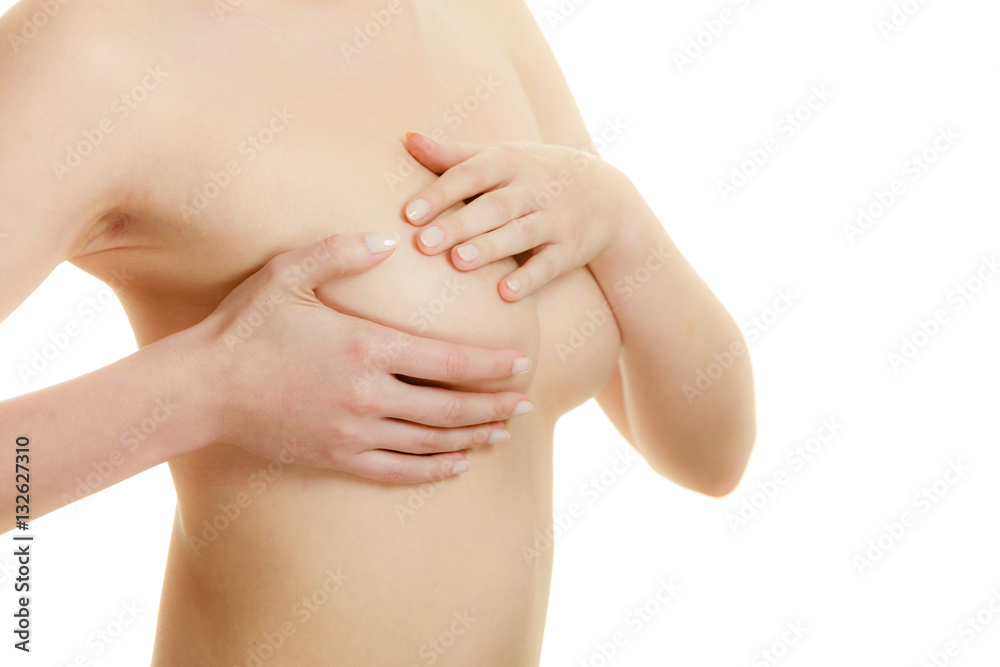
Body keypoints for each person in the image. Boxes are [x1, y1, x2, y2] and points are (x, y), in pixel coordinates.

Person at [0, 0, 756, 664]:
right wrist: (203, 389)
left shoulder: (481, 13)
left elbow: (711, 454)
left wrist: (621, 219)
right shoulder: (92, 46)